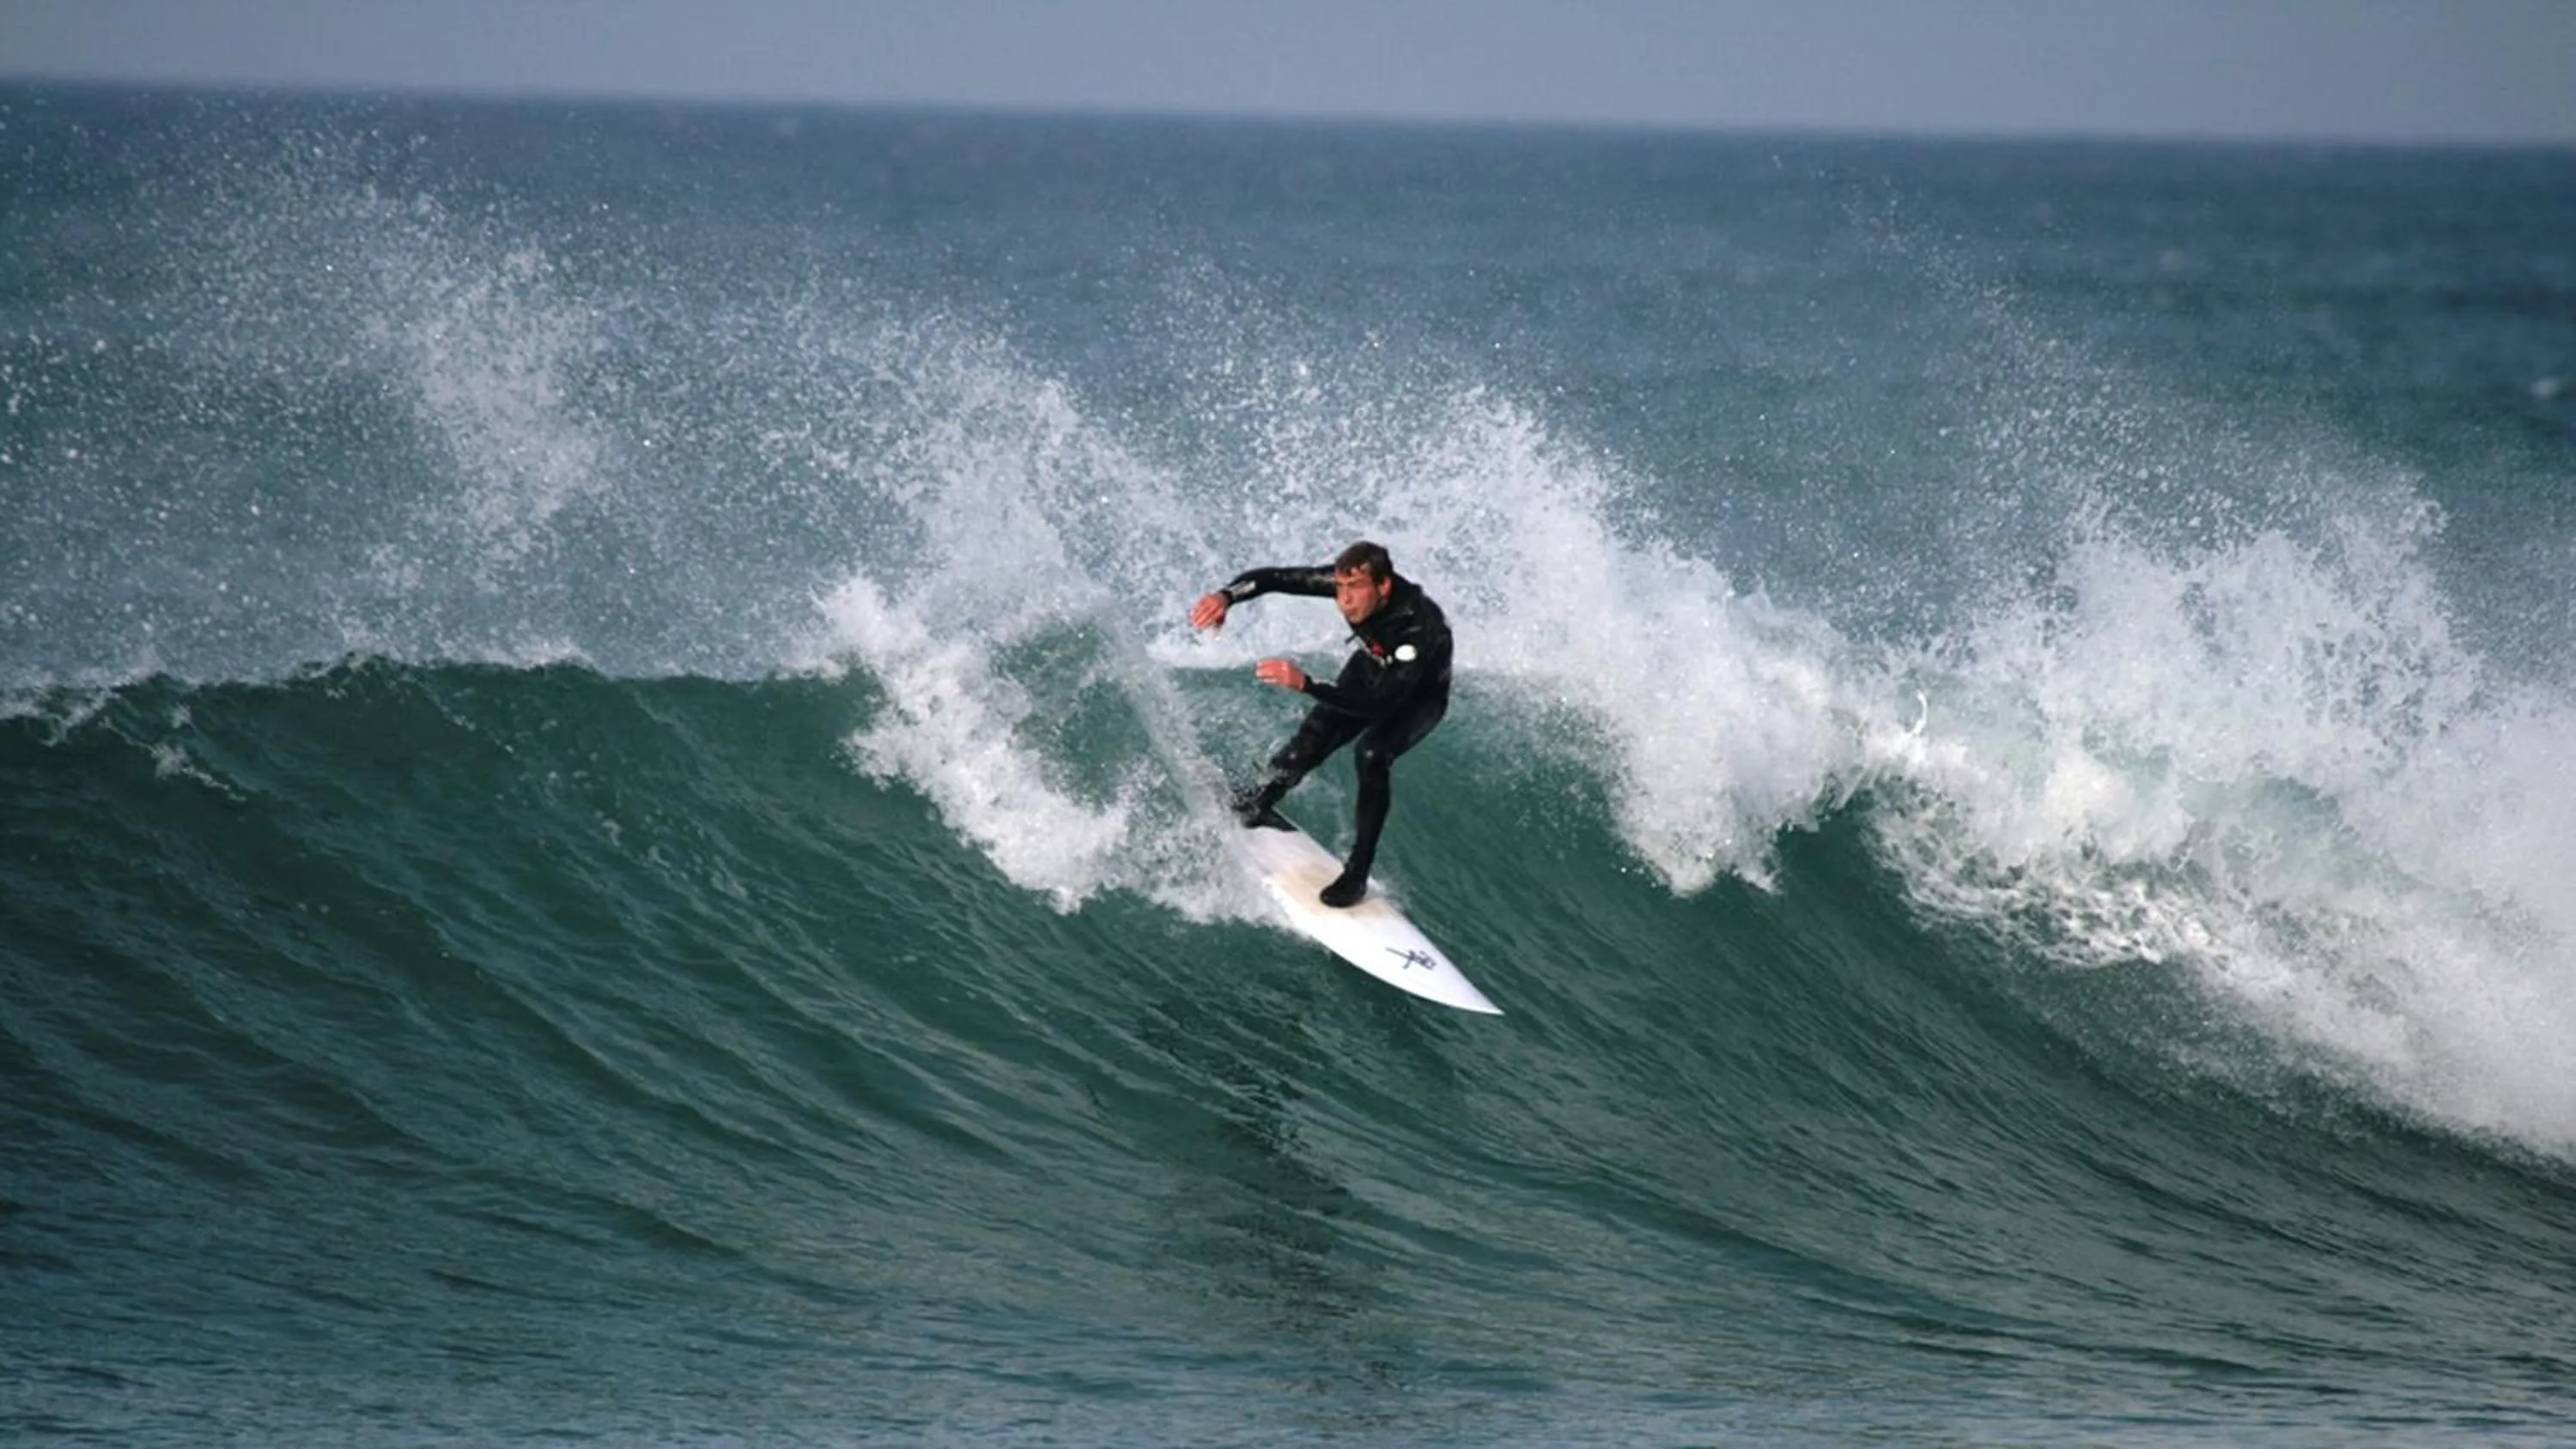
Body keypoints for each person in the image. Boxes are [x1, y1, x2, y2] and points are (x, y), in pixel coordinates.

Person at [1189, 540, 1452, 908]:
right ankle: (1260, 802)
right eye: (1339, 588)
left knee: (1373, 753)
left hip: (1417, 697)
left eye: (1354, 589)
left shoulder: (1416, 628)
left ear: (1383, 586)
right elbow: (1274, 578)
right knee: (1308, 743)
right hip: (1373, 666)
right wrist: (1226, 597)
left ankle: (1357, 873)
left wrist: (1308, 685)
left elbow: (1382, 704)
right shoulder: (1348, 583)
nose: (1344, 599)